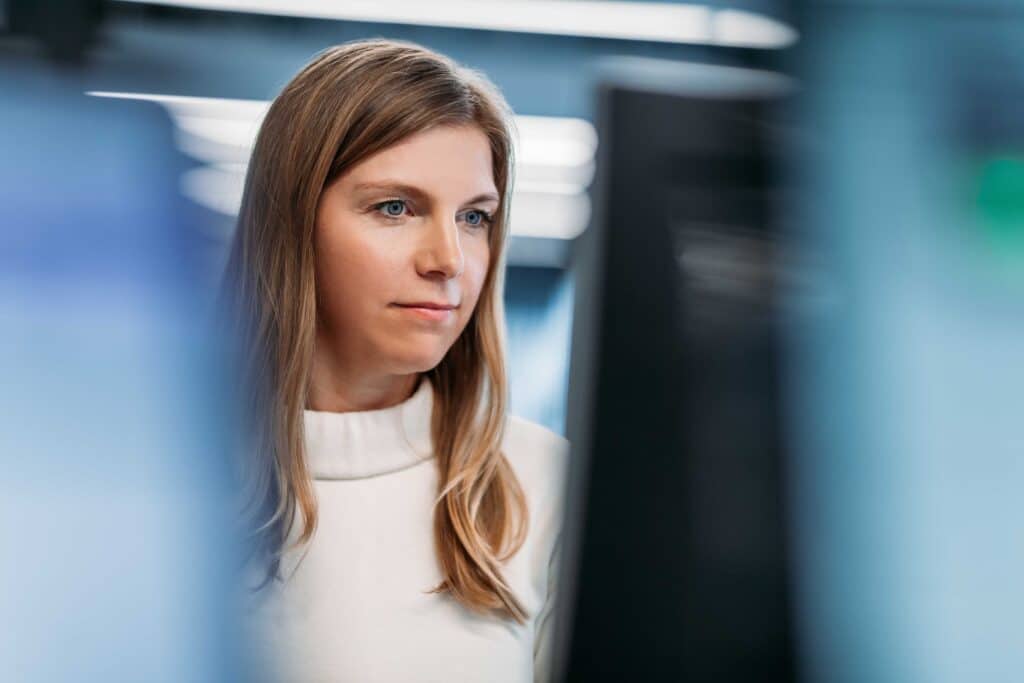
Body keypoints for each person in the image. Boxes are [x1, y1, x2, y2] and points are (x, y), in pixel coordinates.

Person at [217, 38, 570, 683]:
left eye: (473, 217)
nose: (448, 260)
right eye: (395, 208)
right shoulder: (161, 481)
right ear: (293, 224)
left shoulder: (546, 483)